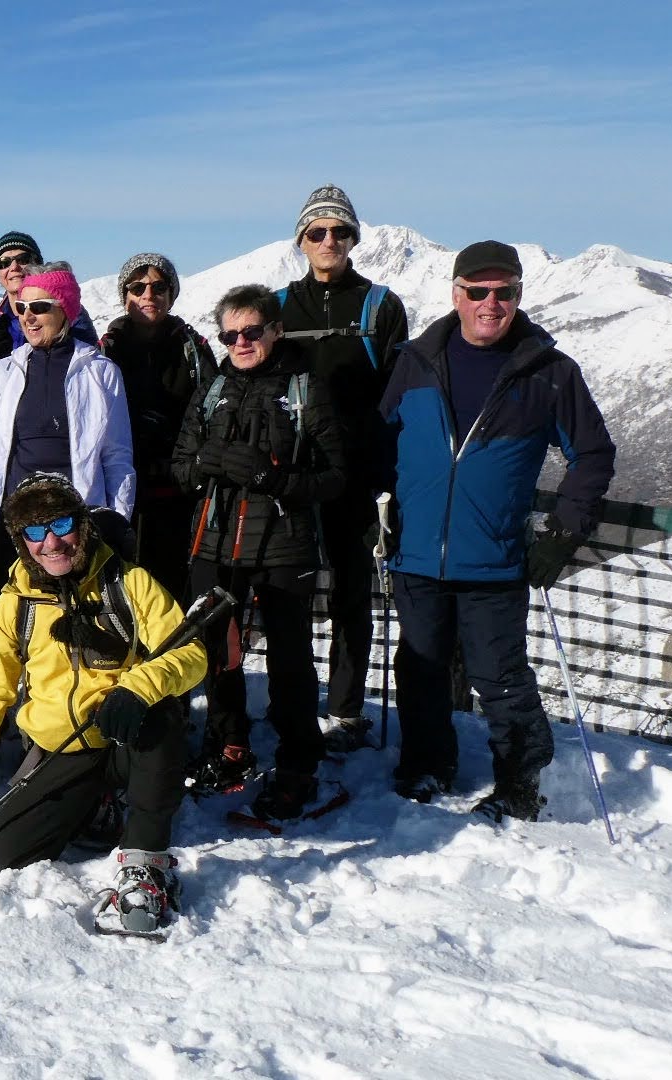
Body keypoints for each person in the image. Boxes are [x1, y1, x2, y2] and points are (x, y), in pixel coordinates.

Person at [380, 241, 616, 820]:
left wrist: (562, 534)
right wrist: (378, 512)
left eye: (503, 292)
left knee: (500, 676)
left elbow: (592, 454)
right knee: (419, 667)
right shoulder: (415, 362)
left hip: (495, 557)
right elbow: (379, 441)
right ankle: (427, 764)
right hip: (415, 554)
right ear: (455, 294)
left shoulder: (548, 372)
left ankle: (521, 782)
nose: (491, 303)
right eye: (478, 291)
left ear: (518, 295)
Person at [0, 475, 206, 927]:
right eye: (34, 531)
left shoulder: (128, 582)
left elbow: (190, 653)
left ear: (82, 525)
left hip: (124, 735)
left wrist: (137, 688)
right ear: (21, 540)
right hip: (63, 748)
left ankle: (145, 862)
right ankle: (95, 806)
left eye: (61, 525)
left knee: (161, 714)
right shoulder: (16, 603)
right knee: (8, 856)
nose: (50, 542)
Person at [171, 284, 348, 819]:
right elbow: (179, 466)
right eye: (230, 335)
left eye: (251, 331)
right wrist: (204, 463)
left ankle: (298, 762)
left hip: (283, 543)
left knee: (289, 658)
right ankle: (229, 745)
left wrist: (273, 479)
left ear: (275, 330)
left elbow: (335, 477)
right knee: (218, 652)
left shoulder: (304, 389)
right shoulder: (212, 388)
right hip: (215, 541)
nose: (241, 343)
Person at [278, 185, 412, 748]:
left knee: (351, 596)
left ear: (354, 238)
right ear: (302, 241)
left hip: (357, 477)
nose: (329, 240)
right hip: (292, 476)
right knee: (287, 594)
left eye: (339, 231)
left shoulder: (380, 306)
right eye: (317, 232)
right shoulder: (278, 307)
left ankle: (346, 710)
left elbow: (399, 397)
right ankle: (291, 703)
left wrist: (390, 479)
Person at [0, 262, 136, 617]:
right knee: (11, 620)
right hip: (16, 525)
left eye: (39, 307)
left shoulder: (100, 373)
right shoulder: (3, 373)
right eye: (22, 307)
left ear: (65, 309)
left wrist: (115, 521)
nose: (28, 317)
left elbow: (116, 457)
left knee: (80, 620)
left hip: (76, 526)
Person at [97, 253, 218, 605]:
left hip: (178, 490)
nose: (148, 295)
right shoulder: (106, 349)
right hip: (122, 490)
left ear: (171, 294)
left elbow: (212, 409)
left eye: (159, 287)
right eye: (138, 287)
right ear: (125, 296)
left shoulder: (192, 349)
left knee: (172, 589)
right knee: (122, 589)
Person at [0, 231, 99, 353]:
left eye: (23, 259)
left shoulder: (67, 312)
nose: (14, 267)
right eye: (3, 263)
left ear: (37, 266)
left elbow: (87, 359)